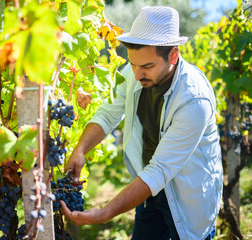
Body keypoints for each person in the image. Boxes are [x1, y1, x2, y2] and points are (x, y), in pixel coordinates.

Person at [60, 6, 223, 240]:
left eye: (147, 67)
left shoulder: (194, 99)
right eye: (133, 64)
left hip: (188, 196)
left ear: (173, 55)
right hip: (147, 190)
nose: (137, 75)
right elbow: (107, 114)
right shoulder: (134, 72)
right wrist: (80, 149)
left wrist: (105, 213)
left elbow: (160, 171)